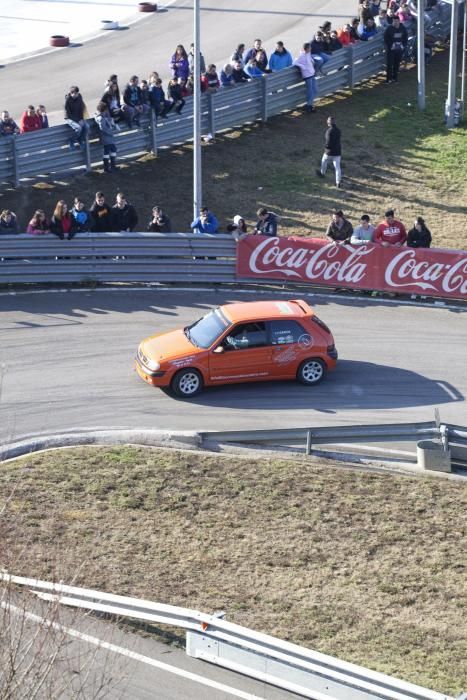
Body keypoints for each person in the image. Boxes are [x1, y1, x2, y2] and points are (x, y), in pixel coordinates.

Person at [316, 116, 342, 188]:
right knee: (337, 167)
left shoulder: (329, 131)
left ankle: (322, 174)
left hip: (329, 152)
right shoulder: (338, 130)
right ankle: (338, 182)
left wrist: (326, 147)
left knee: (324, 161)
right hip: (337, 152)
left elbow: (328, 142)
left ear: (328, 123)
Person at [94, 101, 119, 172]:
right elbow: (103, 128)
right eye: (105, 109)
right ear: (103, 110)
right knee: (108, 150)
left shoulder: (102, 116)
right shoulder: (101, 118)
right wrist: (110, 132)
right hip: (106, 137)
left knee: (111, 150)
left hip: (107, 137)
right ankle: (108, 167)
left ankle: (111, 167)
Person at [293, 43, 317, 113]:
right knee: (310, 91)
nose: (311, 49)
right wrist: (302, 67)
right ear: (306, 49)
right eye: (309, 48)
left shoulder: (308, 54)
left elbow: (309, 59)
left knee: (315, 90)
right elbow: (294, 62)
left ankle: (309, 105)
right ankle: (309, 106)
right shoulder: (301, 56)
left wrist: (312, 61)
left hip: (312, 74)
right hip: (307, 75)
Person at [384, 16, 408, 83]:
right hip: (391, 50)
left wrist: (403, 45)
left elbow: (405, 37)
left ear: (399, 21)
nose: (395, 23)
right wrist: (391, 45)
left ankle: (395, 78)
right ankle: (388, 79)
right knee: (389, 64)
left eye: (396, 21)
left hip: (399, 50)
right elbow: (386, 38)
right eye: (394, 21)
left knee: (396, 64)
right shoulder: (389, 29)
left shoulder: (402, 28)